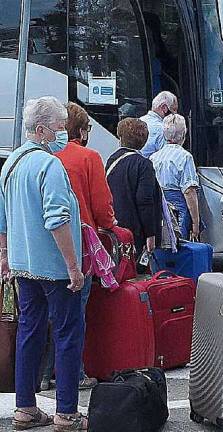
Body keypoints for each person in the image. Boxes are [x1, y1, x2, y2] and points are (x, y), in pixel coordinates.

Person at [1, 97, 88, 431]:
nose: (64, 133)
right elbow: (57, 219)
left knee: (29, 332)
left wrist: (5, 256)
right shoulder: (49, 166)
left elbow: (2, 218)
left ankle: (25, 408)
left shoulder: (12, 164)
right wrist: (74, 267)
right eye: (59, 127)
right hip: (53, 266)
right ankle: (67, 413)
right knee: (68, 334)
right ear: (41, 130)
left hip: (23, 264)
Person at [39, 102, 117, 391]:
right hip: (80, 243)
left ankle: (43, 374)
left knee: (45, 313)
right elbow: (102, 207)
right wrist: (110, 223)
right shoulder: (89, 157)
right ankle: (74, 373)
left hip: (42, 245)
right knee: (75, 313)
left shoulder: (42, 155)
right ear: (81, 130)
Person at [106, 118, 164, 253]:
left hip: (115, 225)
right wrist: (151, 234)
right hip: (135, 231)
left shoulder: (112, 160)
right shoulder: (144, 165)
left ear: (120, 137)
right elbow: (145, 201)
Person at [150, 113, 202, 241]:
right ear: (184, 134)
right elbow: (189, 191)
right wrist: (196, 222)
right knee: (179, 245)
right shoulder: (185, 157)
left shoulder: (154, 157)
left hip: (159, 208)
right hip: (178, 209)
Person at [140, 91, 178, 157]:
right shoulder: (163, 129)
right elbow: (167, 158)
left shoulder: (140, 120)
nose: (175, 114)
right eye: (174, 110)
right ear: (164, 108)